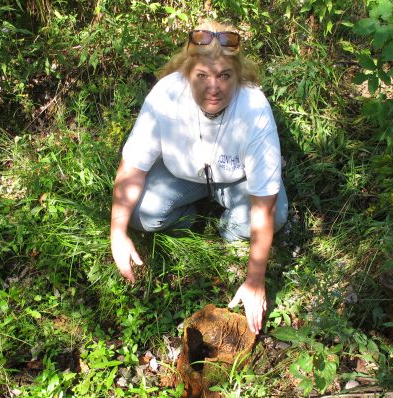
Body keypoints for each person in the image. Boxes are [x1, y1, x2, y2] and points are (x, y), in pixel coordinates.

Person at [110, 20, 288, 335]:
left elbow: (264, 205)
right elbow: (132, 168)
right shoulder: (166, 95)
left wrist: (255, 281)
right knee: (139, 214)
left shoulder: (254, 108)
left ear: (239, 75)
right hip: (181, 175)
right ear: (186, 72)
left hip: (237, 179)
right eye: (202, 76)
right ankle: (189, 218)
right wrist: (117, 233)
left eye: (224, 76)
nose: (213, 87)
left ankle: (226, 230)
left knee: (277, 216)